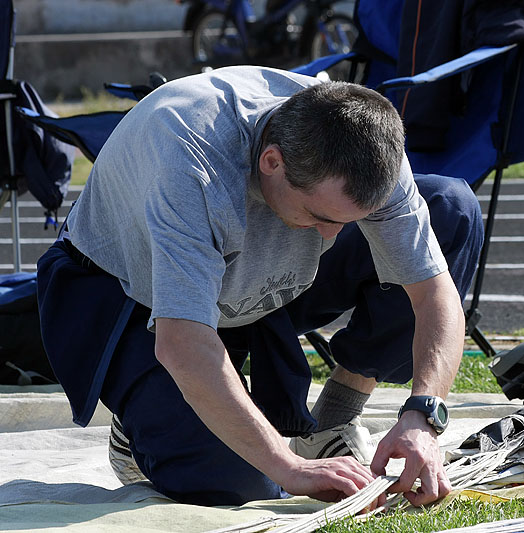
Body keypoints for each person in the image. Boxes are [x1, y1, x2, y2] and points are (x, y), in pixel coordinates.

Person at [36, 66, 483, 507]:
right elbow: (183, 344)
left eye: (351, 220)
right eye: (322, 217)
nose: (331, 237)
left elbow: (433, 294)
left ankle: (333, 420)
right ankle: (137, 429)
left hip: (252, 276)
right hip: (129, 294)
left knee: (450, 208)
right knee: (240, 483)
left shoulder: (367, 138)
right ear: (271, 161)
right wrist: (290, 467)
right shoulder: (191, 164)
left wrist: (425, 415)